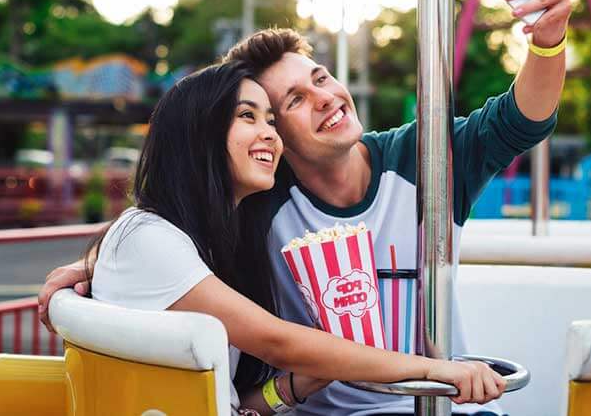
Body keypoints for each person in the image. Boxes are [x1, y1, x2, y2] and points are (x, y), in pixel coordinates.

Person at [41, 0, 570, 415]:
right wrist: (97, 264)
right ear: (278, 137)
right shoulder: (261, 195)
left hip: (438, 401)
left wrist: (547, 42)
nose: (324, 98)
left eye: (319, 78)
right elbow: (184, 236)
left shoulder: (424, 159)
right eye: (290, 103)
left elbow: (520, 120)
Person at [56, 61, 505, 416]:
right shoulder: (148, 237)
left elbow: (233, 404)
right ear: (199, 137)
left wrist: (297, 385)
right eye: (247, 117)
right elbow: (278, 342)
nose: (268, 133)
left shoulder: (210, 242)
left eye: (270, 119)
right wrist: (433, 369)